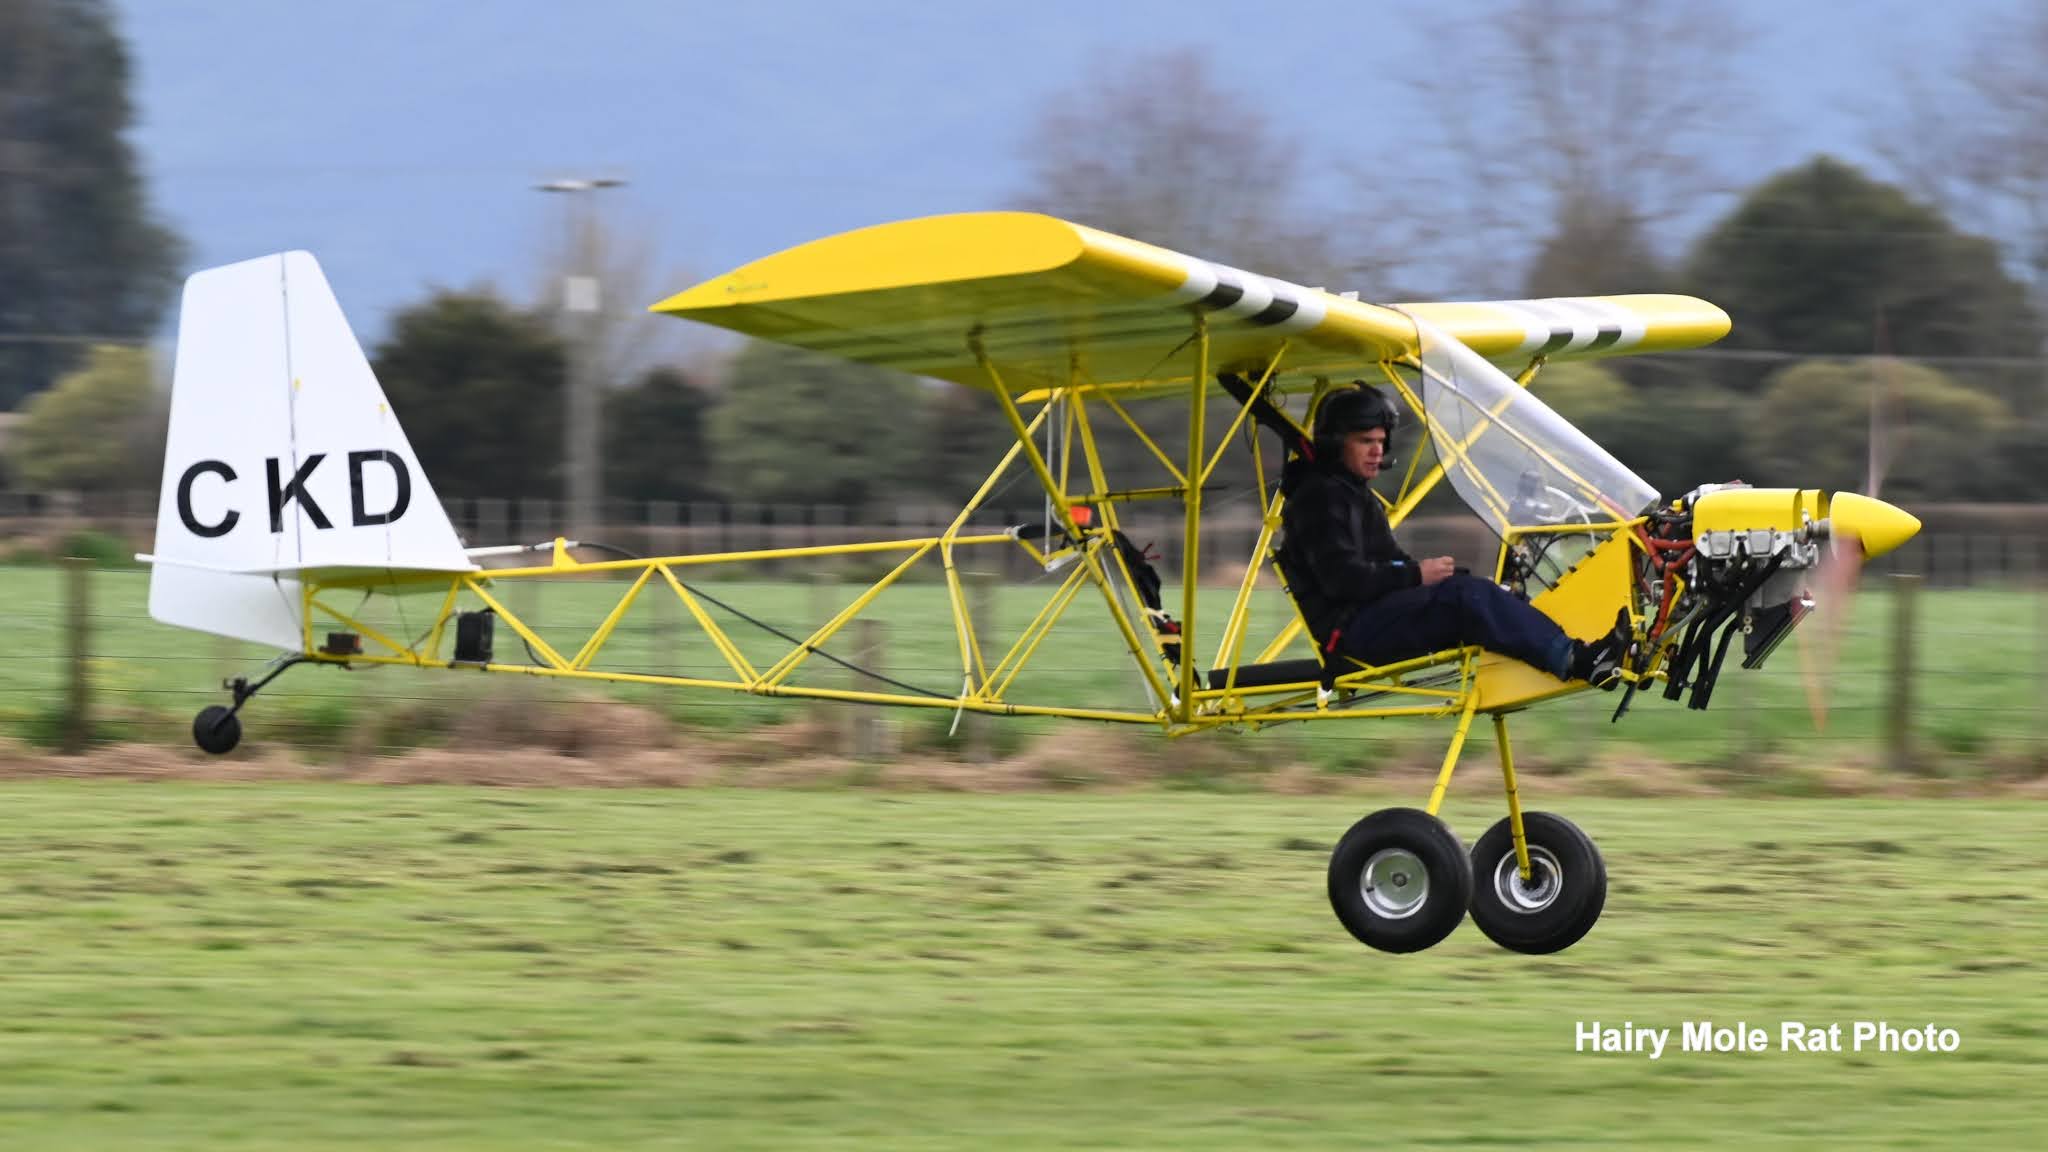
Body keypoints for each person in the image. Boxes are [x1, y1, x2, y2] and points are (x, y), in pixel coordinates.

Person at [1276, 383, 1629, 686]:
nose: (1377, 452)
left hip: (1374, 616)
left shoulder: (1354, 494)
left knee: (1470, 588)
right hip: (1351, 633)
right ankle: (1578, 661)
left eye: (1381, 442)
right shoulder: (1318, 498)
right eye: (1365, 441)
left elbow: (1388, 561)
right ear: (1336, 443)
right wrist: (1417, 575)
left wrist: (1430, 577)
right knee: (1466, 596)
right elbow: (1343, 580)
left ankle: (1586, 647)